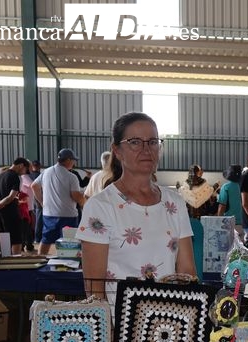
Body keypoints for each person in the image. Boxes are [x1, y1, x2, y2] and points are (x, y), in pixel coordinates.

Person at [77, 112, 195, 303]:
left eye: (152, 142)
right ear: (117, 151)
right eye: (135, 142)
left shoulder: (175, 203)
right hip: (118, 319)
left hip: (171, 318)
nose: (146, 149)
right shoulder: (100, 207)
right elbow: (94, 288)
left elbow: (187, 272)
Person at [32, 148, 86, 256]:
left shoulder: (46, 172)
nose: (74, 163)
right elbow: (75, 195)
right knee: (68, 243)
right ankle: (67, 262)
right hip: (68, 215)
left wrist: (42, 202)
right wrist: (85, 203)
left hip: (48, 214)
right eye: (73, 160)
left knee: (46, 240)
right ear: (68, 160)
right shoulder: (71, 177)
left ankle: (40, 260)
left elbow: (34, 186)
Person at [0, 157, 30, 255]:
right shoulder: (15, 176)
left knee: (3, 238)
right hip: (11, 213)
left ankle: (5, 259)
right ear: (21, 165)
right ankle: (16, 261)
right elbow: (12, 196)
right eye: (25, 170)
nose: (24, 173)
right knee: (16, 239)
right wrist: (1, 203)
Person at [217, 164, 243, 235]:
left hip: (228, 223)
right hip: (241, 223)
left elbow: (222, 206)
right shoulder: (241, 186)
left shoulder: (226, 187)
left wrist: (218, 221)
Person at [29, 160, 44, 243]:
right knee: (39, 221)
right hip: (39, 201)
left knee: (33, 220)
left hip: (30, 200)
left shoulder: (29, 176)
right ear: (39, 166)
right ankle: (37, 238)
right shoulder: (41, 176)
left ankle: (33, 238)